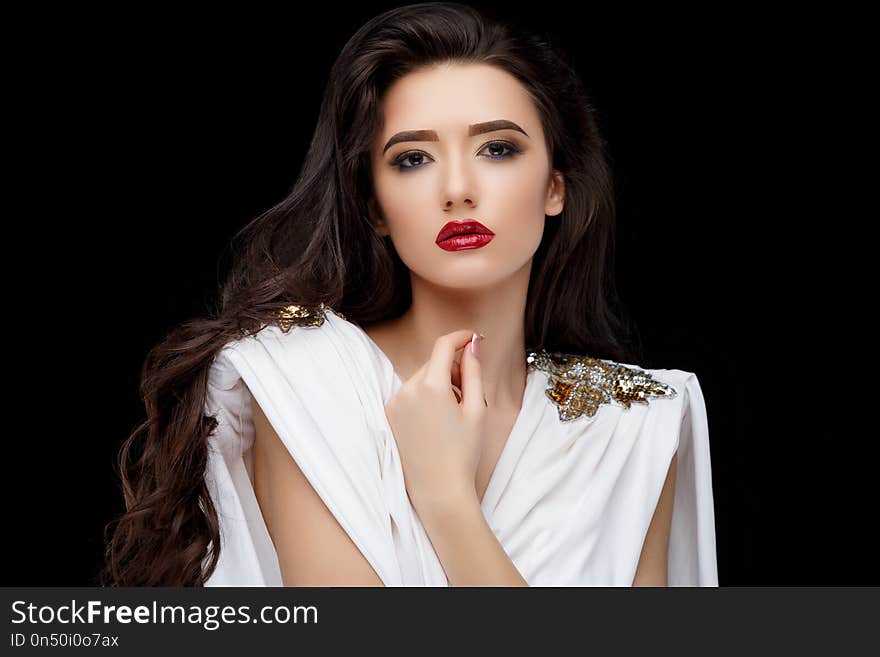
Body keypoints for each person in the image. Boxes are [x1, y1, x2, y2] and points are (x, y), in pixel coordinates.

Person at [102, 2, 717, 587]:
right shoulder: (303, 381)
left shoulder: (634, 421)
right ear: (375, 209)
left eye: (497, 149)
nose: (457, 188)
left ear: (555, 188)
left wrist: (447, 500)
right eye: (413, 158)